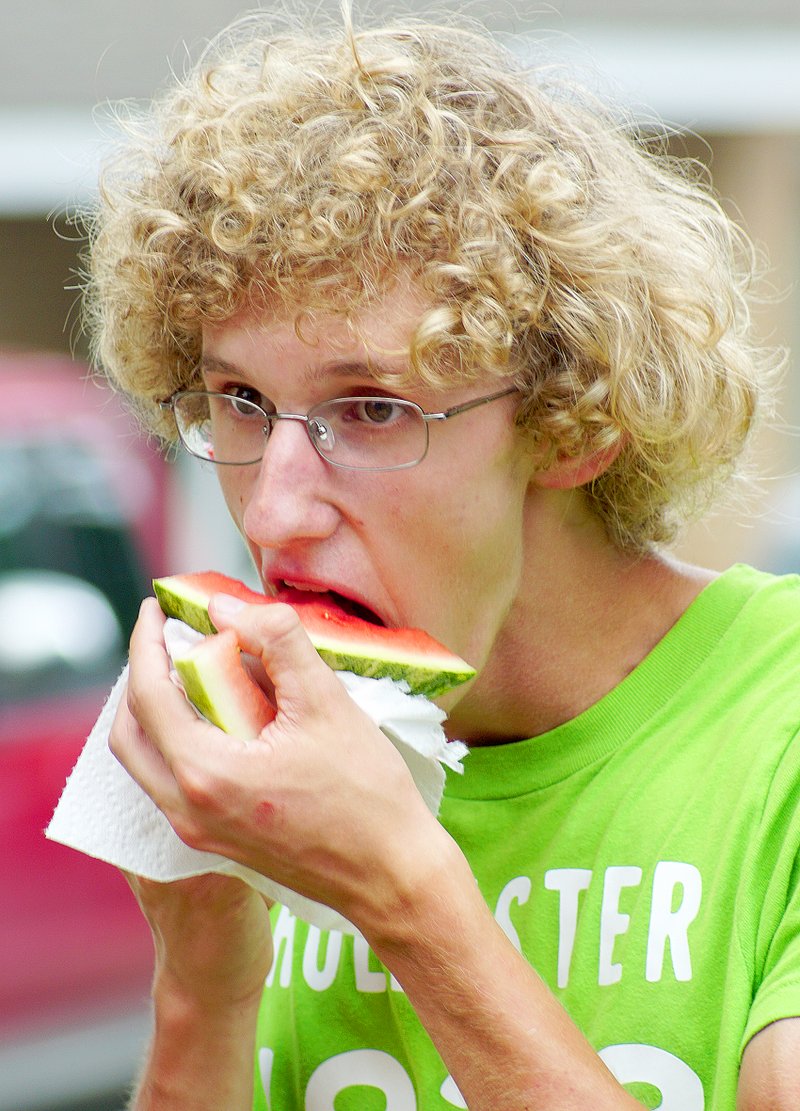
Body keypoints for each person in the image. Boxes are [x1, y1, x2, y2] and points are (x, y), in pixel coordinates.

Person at [82, 5, 798, 1109]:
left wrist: (410, 900)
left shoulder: (776, 728)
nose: (271, 513)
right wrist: (202, 986)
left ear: (573, 423)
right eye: (238, 400)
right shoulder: (266, 770)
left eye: (368, 409)